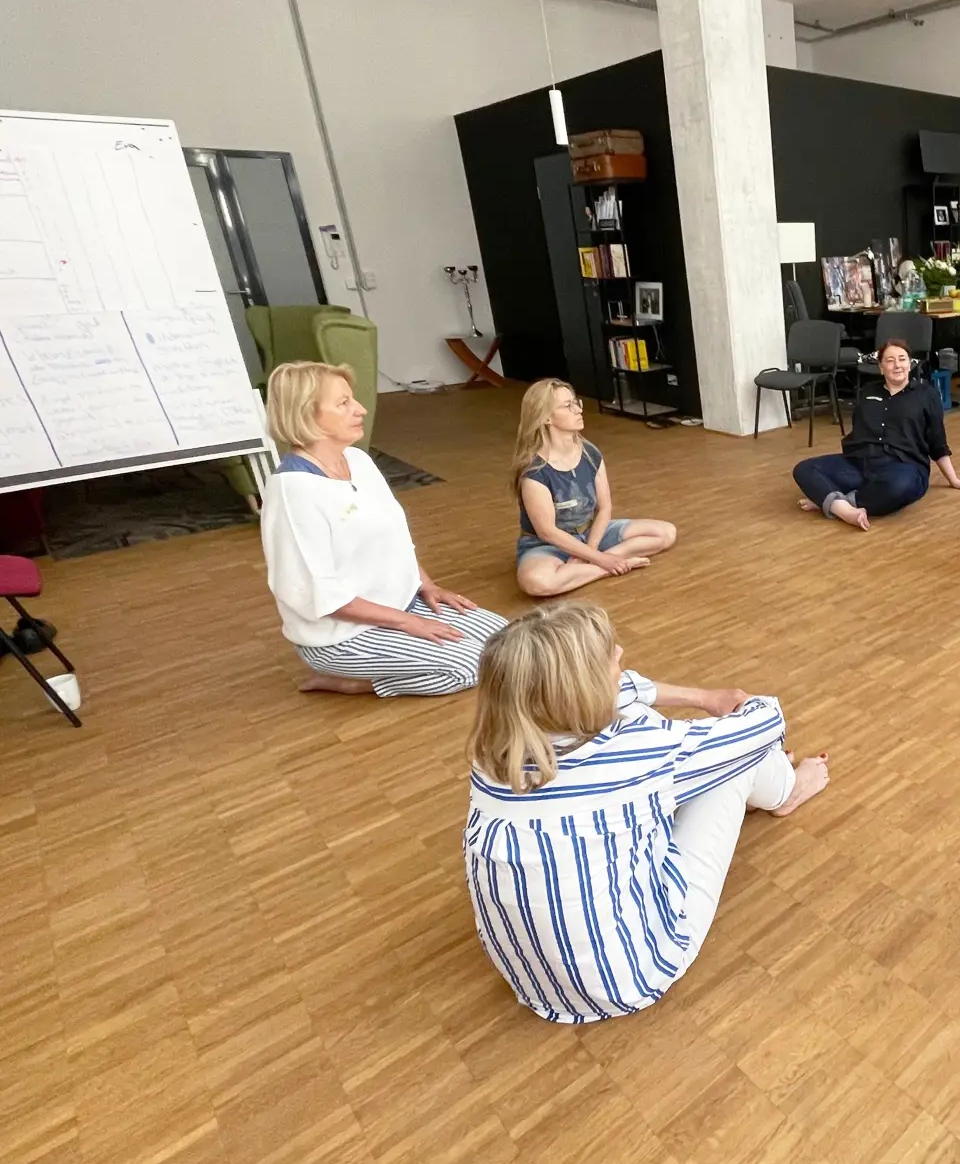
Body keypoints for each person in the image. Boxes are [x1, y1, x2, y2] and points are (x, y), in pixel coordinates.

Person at [465, 602, 829, 1021]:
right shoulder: (638, 757)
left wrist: (704, 698)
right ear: (582, 687)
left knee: (648, 725)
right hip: (632, 977)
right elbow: (765, 724)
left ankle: (741, 779)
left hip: (527, 979)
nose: (620, 653)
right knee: (741, 761)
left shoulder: (492, 753)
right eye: (609, 655)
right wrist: (741, 708)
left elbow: (620, 694)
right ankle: (787, 790)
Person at [260, 360, 505, 696]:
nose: (360, 409)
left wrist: (427, 585)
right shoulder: (293, 492)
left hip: (402, 603)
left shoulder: (358, 460)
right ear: (305, 414)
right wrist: (410, 623)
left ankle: (401, 648)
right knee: (472, 665)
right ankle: (353, 683)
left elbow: (394, 537)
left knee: (508, 640)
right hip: (341, 635)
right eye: (343, 403)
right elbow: (323, 596)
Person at [792, 339, 960, 530]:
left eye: (902, 359)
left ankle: (833, 501)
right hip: (859, 464)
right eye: (890, 361)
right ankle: (843, 508)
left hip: (903, 467)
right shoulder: (867, 391)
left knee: (899, 486)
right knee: (804, 469)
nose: (897, 365)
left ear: (910, 364)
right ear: (881, 368)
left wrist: (954, 479)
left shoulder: (926, 394)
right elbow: (858, 430)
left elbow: (937, 441)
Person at [513, 379, 678, 597]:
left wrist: (589, 552)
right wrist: (602, 560)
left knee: (666, 533)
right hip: (547, 545)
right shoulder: (535, 472)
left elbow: (604, 508)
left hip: (591, 534)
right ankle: (609, 566)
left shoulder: (590, 453)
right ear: (546, 418)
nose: (578, 410)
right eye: (568, 406)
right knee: (537, 583)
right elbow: (548, 532)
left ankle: (585, 569)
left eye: (576, 402)